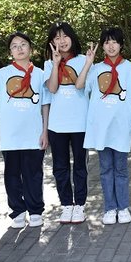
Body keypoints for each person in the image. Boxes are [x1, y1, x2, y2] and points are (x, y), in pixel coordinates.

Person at [0, 32, 50, 229]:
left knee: (34, 174)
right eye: (15, 46)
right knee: (12, 175)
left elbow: (45, 105)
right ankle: (17, 210)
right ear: (10, 52)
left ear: (30, 49)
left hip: (33, 135)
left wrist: (45, 131)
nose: (19, 48)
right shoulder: (1, 74)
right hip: (10, 136)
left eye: (23, 44)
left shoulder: (41, 74)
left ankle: (35, 210)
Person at [76, 27, 131, 225]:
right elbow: (79, 86)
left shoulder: (129, 68)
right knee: (105, 169)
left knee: (120, 168)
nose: (111, 46)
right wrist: (88, 63)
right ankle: (110, 208)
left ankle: (123, 207)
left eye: (114, 42)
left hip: (121, 125)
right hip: (101, 127)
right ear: (102, 46)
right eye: (107, 42)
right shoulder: (95, 69)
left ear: (121, 45)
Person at [43, 22, 88, 224]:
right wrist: (55, 63)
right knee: (60, 167)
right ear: (52, 42)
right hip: (57, 124)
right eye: (56, 38)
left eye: (64, 36)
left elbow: (83, 88)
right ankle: (66, 205)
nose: (61, 41)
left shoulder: (84, 61)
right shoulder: (47, 64)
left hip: (80, 123)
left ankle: (79, 205)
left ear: (72, 37)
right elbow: (52, 89)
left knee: (80, 166)